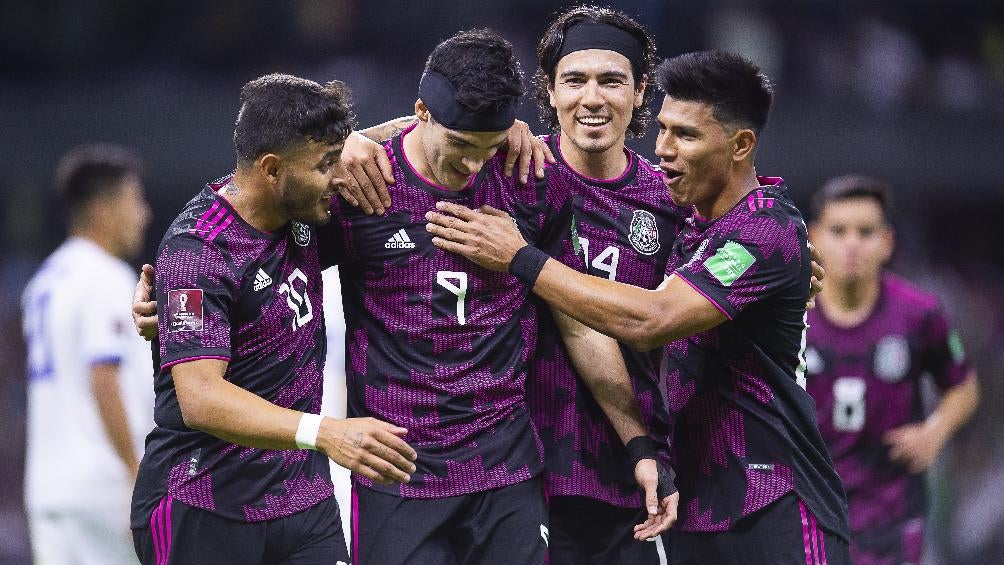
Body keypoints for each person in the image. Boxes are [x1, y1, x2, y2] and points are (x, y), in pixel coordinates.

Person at [132, 30, 675, 565]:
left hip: (504, 471)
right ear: (421, 112)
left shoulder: (529, 178)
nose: (471, 166)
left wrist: (638, 442)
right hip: (394, 472)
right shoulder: (360, 188)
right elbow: (253, 202)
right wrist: (178, 294)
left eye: (487, 148)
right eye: (460, 146)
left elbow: (576, 322)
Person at [426, 50, 852, 564]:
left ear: (741, 145)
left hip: (775, 498)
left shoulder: (762, 230)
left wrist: (520, 258)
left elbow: (651, 319)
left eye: (687, 136)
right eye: (664, 130)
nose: (665, 150)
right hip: (697, 506)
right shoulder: (692, 225)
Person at [129, 73, 417, 565]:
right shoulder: (197, 252)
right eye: (327, 164)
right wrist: (324, 432)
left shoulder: (304, 212)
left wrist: (501, 132)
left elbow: (415, 143)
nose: (341, 177)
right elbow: (199, 399)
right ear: (270, 169)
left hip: (303, 507)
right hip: (204, 502)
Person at [527, 7, 685, 563]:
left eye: (611, 80)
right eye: (575, 80)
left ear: (641, 92)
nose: (592, 98)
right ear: (549, 90)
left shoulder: (670, 202)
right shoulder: (515, 176)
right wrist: (359, 140)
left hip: (635, 477)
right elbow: (432, 132)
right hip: (523, 471)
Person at [804, 175, 980, 565]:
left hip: (892, 514)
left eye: (865, 232)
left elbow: (963, 387)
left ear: (887, 242)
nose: (852, 244)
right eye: (838, 231)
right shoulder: (787, 317)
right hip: (810, 509)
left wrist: (935, 432)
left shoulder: (920, 314)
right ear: (814, 237)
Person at [21, 144, 154, 564]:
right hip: (104, 486)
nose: (144, 215)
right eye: (135, 201)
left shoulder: (44, 281)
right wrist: (135, 471)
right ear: (102, 209)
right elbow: (103, 377)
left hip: (47, 489)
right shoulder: (105, 277)